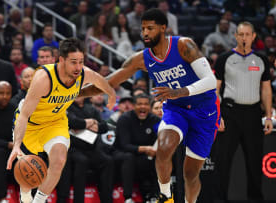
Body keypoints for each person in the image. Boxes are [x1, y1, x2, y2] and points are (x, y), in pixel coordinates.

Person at [80, 8, 220, 203]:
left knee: (190, 173)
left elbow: (210, 81)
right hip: (176, 109)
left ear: (163, 28)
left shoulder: (183, 46)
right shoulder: (141, 59)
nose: (145, 33)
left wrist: (178, 92)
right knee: (163, 147)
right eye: (143, 28)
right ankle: (165, 196)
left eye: (150, 28)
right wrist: (74, 92)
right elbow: (109, 82)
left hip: (204, 109)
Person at [6, 38, 116, 203]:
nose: (78, 67)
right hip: (31, 124)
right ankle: (25, 193)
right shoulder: (44, 79)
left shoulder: (83, 73)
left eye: (81, 61)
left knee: (59, 160)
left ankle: (39, 200)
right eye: (73, 62)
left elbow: (101, 81)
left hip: (55, 122)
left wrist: (112, 94)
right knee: (28, 169)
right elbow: (24, 115)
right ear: (61, 60)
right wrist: (16, 144)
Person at [214, 21, 273, 201]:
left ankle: (255, 198)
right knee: (223, 161)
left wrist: (269, 116)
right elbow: (215, 89)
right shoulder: (224, 58)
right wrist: (217, 115)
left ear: (254, 36)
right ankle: (220, 198)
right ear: (236, 36)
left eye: (248, 34)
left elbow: (266, 89)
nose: (244, 37)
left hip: (253, 114)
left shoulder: (261, 59)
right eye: (241, 34)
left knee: (255, 162)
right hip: (230, 113)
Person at [115, 93, 161, 202]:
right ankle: (128, 198)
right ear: (134, 106)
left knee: (159, 158)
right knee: (129, 157)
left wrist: (155, 150)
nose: (143, 107)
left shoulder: (155, 120)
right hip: (121, 153)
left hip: (145, 155)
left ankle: (155, 196)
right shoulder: (124, 119)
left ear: (149, 107)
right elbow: (124, 145)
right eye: (139, 104)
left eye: (146, 104)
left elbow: (160, 141)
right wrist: (145, 149)